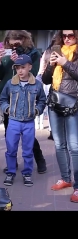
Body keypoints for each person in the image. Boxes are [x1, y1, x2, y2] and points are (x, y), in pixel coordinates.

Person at [0, 30, 47, 174]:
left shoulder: (34, 53)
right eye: (12, 44)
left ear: (24, 39)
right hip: (7, 98)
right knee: (9, 133)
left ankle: (40, 159)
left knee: (28, 135)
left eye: (18, 43)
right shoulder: (6, 55)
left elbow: (34, 73)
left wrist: (21, 59)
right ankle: (13, 164)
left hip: (25, 97)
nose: (14, 46)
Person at [42, 30, 78, 203]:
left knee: (74, 146)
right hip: (55, 102)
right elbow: (46, 80)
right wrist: (51, 64)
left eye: (71, 35)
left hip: (73, 104)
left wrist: (65, 63)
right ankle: (65, 178)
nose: (67, 39)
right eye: (64, 36)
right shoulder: (57, 50)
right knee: (59, 143)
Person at [0, 54, 46, 186]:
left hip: (29, 123)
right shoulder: (10, 83)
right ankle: (11, 172)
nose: (20, 70)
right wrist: (7, 109)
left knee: (28, 150)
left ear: (30, 67)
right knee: (11, 149)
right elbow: (2, 99)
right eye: (17, 67)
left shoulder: (36, 84)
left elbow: (42, 100)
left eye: (23, 67)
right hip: (13, 121)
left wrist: (37, 110)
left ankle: (27, 174)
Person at [36, 37, 57, 140]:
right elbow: (41, 68)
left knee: (50, 106)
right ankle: (53, 129)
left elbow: (41, 69)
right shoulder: (54, 52)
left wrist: (39, 79)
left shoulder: (47, 52)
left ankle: (51, 129)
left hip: (47, 81)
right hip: (50, 81)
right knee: (52, 105)